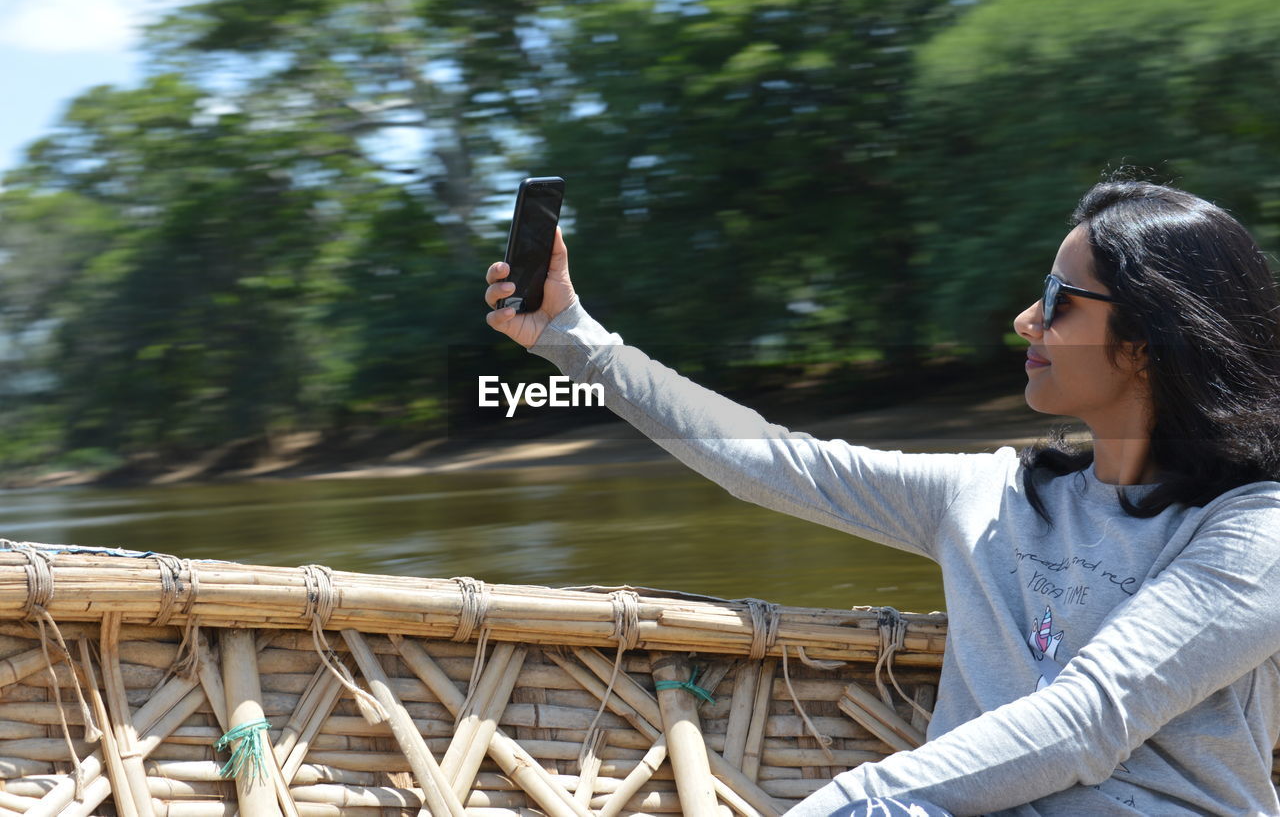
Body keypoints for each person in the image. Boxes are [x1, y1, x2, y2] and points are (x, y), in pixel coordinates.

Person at [482, 179, 1280, 816]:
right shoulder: (990, 497)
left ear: (1146, 341)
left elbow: (1089, 719)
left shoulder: (1252, 533)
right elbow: (772, 462)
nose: (1025, 319)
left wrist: (860, 798)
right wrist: (572, 338)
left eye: (1059, 298)